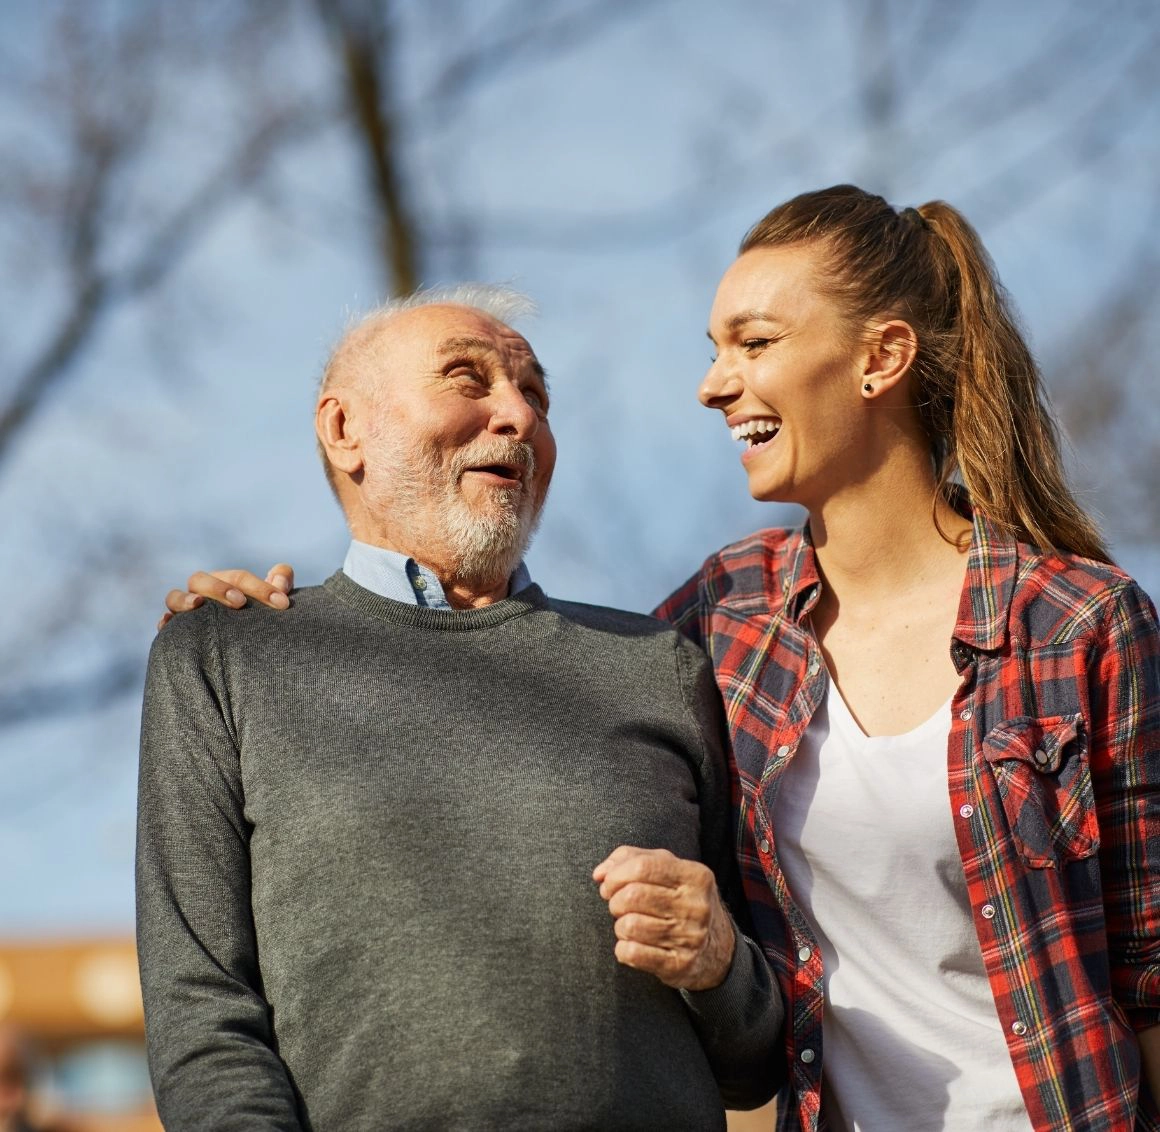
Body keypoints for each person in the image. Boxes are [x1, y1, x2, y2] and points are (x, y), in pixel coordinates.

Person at [164, 187, 1159, 1131]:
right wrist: (265, 621)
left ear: (880, 358)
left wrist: (716, 957)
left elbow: (1149, 973)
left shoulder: (1078, 625)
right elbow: (491, 658)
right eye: (713, 347)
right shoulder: (721, 621)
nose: (711, 383)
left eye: (754, 343)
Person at [138, 285, 782, 1132]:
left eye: (536, 395)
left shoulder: (656, 663)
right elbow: (202, 1012)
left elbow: (760, 1060)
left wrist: (721, 963)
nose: (517, 414)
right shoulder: (228, 653)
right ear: (344, 430)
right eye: (467, 379)